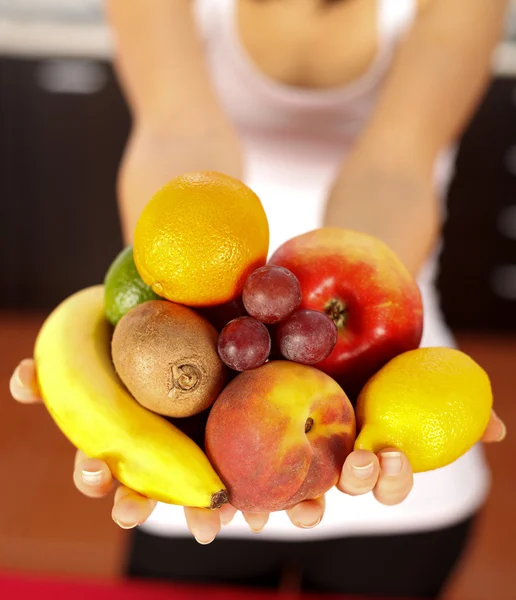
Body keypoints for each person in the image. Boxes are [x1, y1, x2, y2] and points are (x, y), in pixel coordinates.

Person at [10, 0, 508, 597]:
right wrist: (163, 353)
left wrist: (352, 338)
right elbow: (177, 135)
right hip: (198, 450)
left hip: (390, 438)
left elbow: (394, 170)